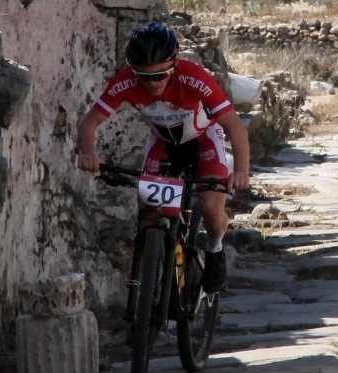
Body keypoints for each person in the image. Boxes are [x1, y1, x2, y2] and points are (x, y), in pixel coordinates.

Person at [76, 21, 250, 294]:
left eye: (160, 76)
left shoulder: (194, 78)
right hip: (164, 143)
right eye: (144, 77)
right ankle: (152, 278)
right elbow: (89, 123)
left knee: (210, 208)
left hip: (204, 140)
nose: (152, 84)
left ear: (175, 64)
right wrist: (87, 152)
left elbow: (234, 126)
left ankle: (215, 248)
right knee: (149, 214)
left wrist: (240, 170)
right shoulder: (125, 81)